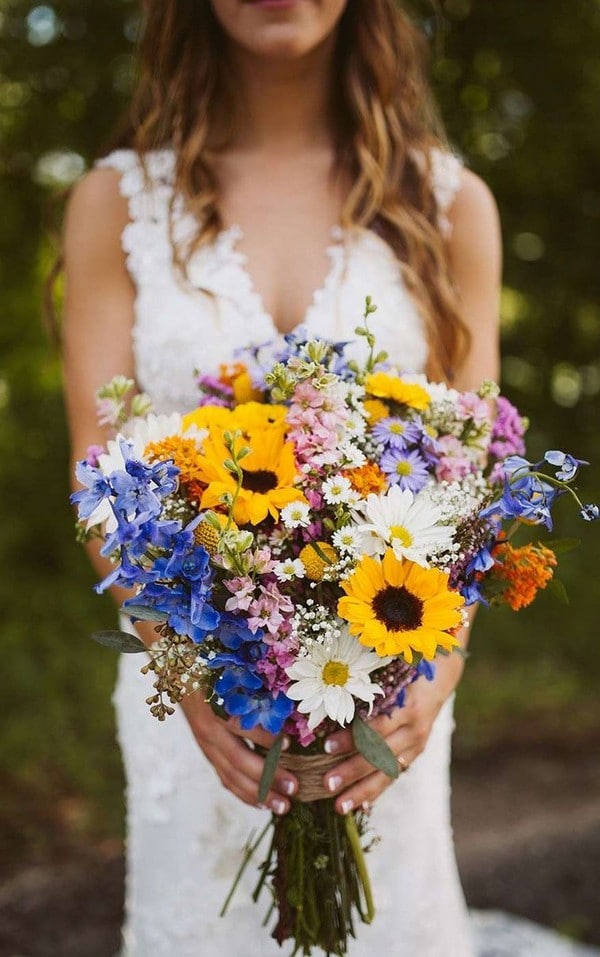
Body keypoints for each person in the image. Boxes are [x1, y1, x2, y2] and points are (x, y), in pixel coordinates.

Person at [62, 2, 501, 955]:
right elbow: (97, 467)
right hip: (196, 711)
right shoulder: (116, 201)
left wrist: (441, 671)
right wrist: (184, 674)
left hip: (389, 698)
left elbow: (473, 470)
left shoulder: (451, 203)